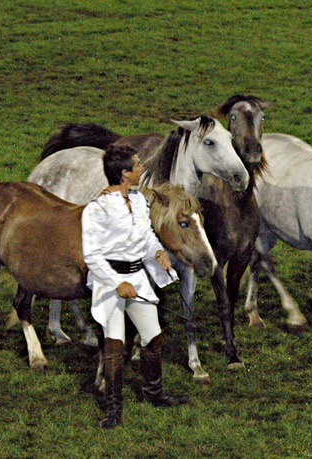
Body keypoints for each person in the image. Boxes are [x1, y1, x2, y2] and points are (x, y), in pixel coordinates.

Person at [81, 145, 189, 429]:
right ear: (125, 173)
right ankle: (113, 410)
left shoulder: (139, 201)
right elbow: (91, 256)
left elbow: (147, 235)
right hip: (110, 284)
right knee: (114, 346)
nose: (142, 168)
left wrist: (157, 252)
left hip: (138, 279)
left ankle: (153, 393)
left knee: (153, 337)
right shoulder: (96, 210)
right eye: (138, 165)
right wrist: (117, 284)